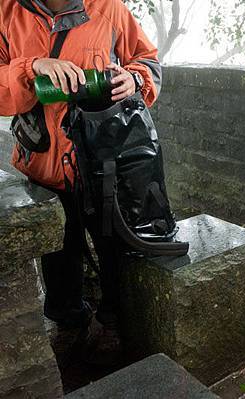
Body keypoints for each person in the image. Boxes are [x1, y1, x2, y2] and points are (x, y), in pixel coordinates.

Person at [0, 0, 161, 362]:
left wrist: (134, 78)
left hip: (103, 161)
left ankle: (112, 320)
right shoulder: (6, 13)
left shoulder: (110, 9)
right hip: (42, 164)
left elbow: (148, 60)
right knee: (59, 251)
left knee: (112, 243)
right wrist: (31, 68)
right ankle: (70, 322)